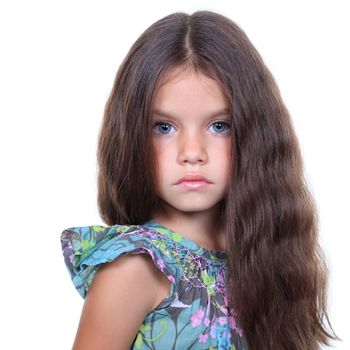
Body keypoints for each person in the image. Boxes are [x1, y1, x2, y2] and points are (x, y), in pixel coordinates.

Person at [60, 10, 340, 350]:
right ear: (131, 134)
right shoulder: (134, 268)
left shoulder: (264, 255)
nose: (192, 152)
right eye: (164, 127)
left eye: (219, 126)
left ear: (255, 134)